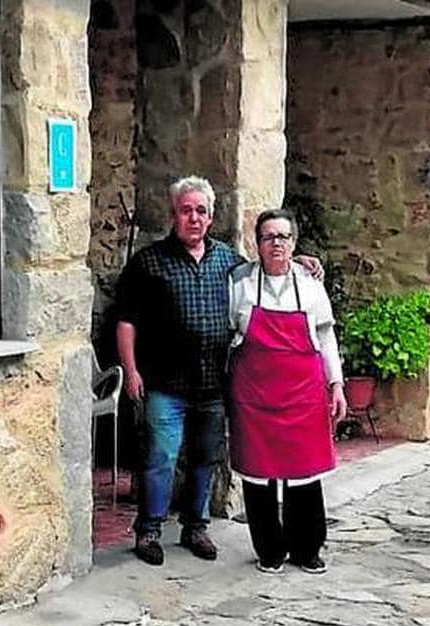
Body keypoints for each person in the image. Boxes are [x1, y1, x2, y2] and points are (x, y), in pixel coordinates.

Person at [116, 176, 322, 566]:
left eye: (201, 211)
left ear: (211, 218)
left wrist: (298, 261)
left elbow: (269, 268)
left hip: (213, 385)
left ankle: (196, 527)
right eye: (185, 210)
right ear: (173, 215)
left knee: (204, 459)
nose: (193, 218)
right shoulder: (149, 262)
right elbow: (127, 321)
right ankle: (149, 531)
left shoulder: (229, 262)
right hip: (164, 383)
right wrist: (131, 370)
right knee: (160, 457)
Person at [227, 209, 347, 574]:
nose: (276, 243)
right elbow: (229, 336)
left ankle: (307, 549)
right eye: (268, 237)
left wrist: (337, 385)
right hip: (254, 395)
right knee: (258, 475)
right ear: (257, 244)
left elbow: (325, 335)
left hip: (303, 394)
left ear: (293, 243)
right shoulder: (240, 284)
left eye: (283, 237)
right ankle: (270, 551)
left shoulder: (311, 285)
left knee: (304, 474)